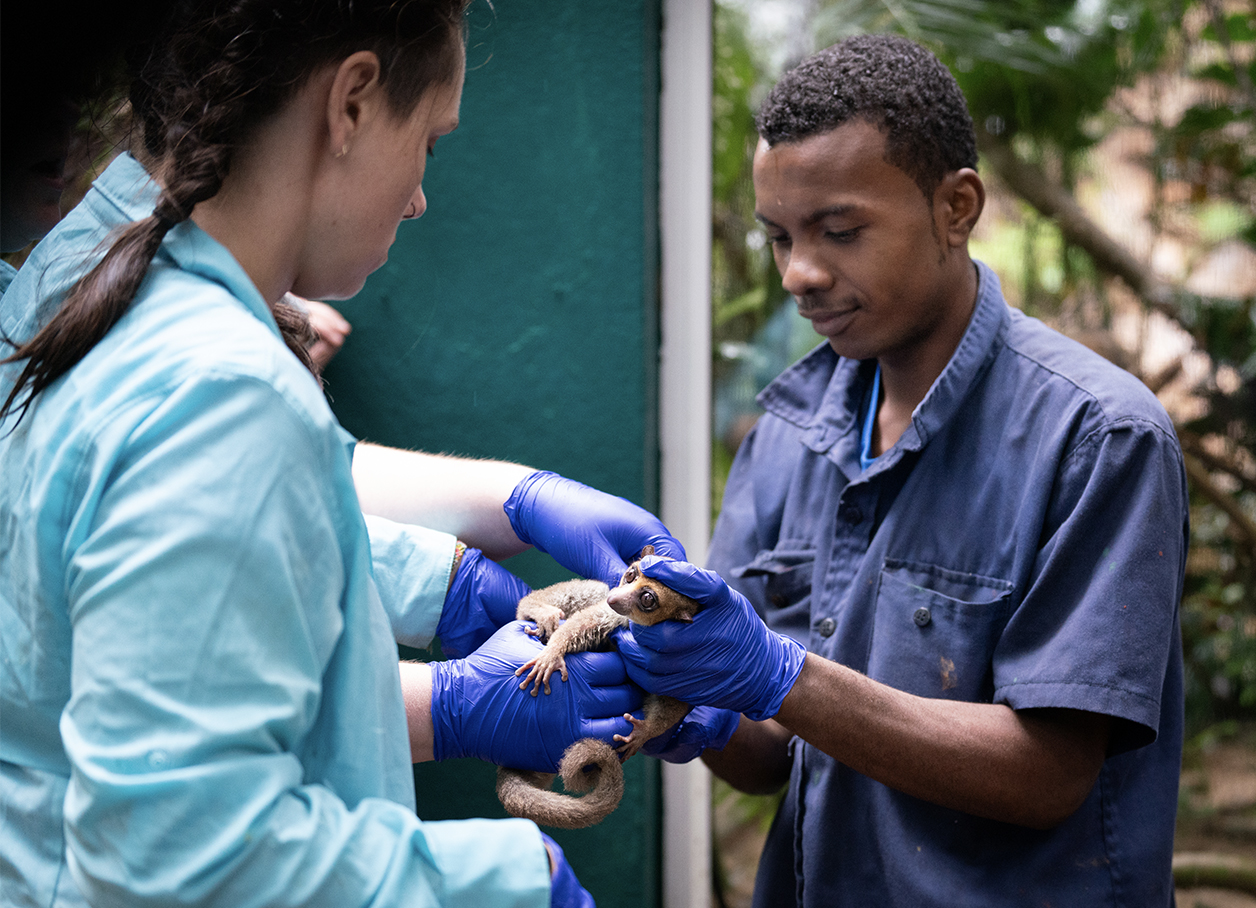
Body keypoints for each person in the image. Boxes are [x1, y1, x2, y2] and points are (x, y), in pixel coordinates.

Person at [0, 2, 685, 905]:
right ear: (352, 101)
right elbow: (179, 857)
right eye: (430, 144)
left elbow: (181, 534)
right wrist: (515, 881)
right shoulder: (223, 393)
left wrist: (467, 558)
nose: (419, 195)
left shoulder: (76, 270)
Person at [616, 34, 1188, 907]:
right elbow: (769, 756)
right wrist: (665, 690)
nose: (800, 274)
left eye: (839, 231)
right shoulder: (789, 433)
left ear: (956, 208)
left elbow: (1048, 776)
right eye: (778, 238)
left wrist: (782, 676)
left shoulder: (1099, 438)